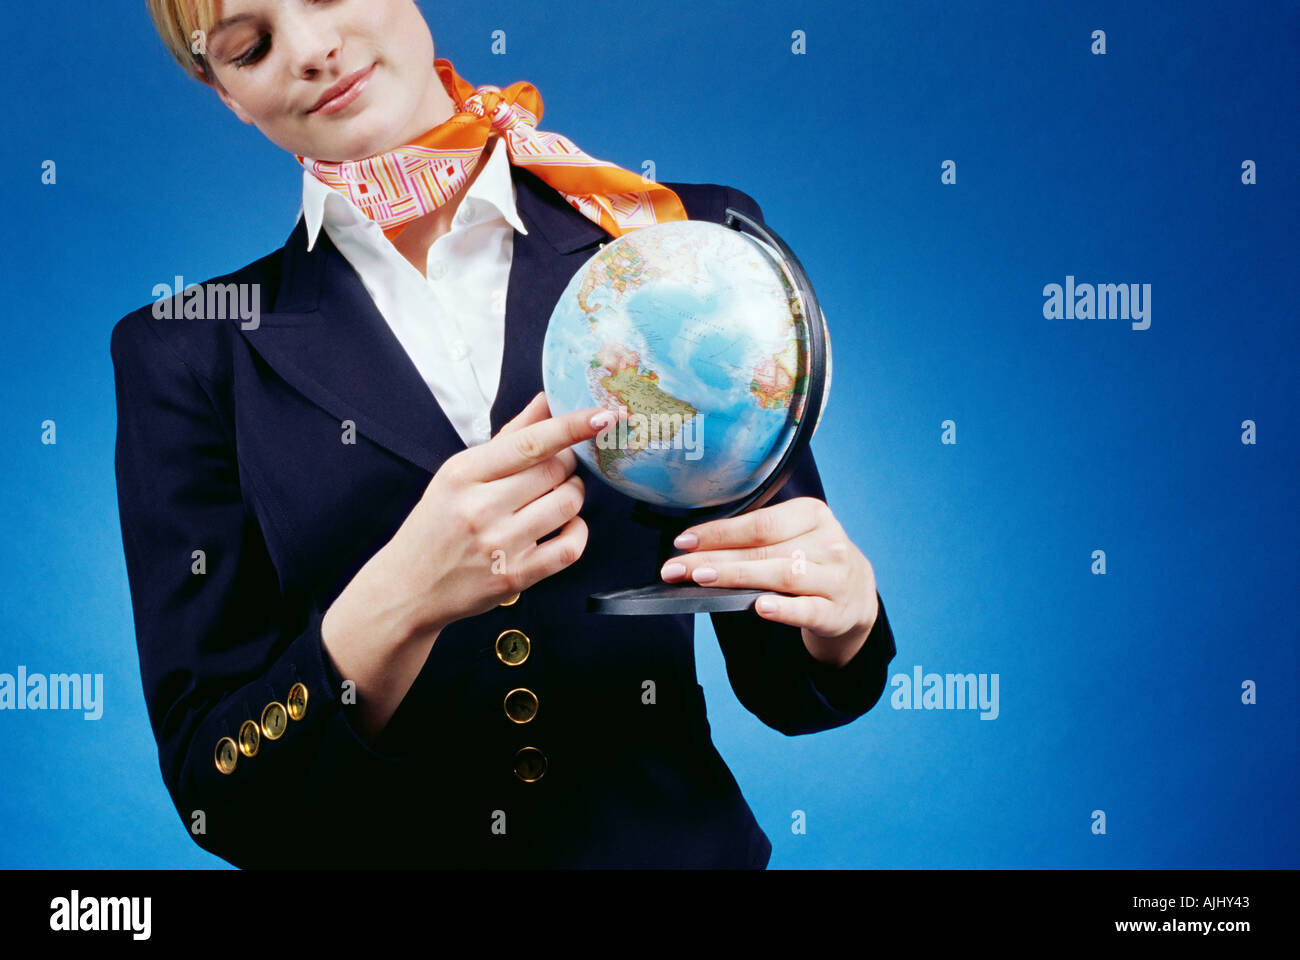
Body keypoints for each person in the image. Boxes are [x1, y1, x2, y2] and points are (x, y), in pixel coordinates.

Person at [114, 0, 897, 868]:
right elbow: (217, 796)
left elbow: (790, 680)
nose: (311, 50)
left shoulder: (674, 243)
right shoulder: (188, 349)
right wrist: (398, 601)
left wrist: (841, 619)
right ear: (224, 91)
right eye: (250, 46)